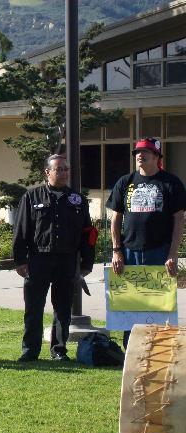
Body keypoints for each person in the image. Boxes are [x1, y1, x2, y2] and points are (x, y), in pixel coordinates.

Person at [13, 154, 95, 362]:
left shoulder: (77, 200)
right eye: (59, 169)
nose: (64, 173)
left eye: (66, 169)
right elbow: (21, 230)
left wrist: (87, 262)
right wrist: (20, 260)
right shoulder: (32, 197)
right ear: (47, 172)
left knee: (62, 309)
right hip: (38, 259)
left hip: (66, 260)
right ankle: (30, 350)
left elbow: (88, 233)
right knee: (33, 308)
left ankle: (59, 350)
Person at [106, 137, 186, 349]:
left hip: (159, 251)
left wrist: (172, 253)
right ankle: (130, 347)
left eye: (146, 152)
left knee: (157, 301)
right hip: (129, 251)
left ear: (157, 156)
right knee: (129, 302)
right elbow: (115, 218)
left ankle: (159, 347)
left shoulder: (171, 183)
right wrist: (117, 251)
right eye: (137, 153)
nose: (140, 156)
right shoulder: (125, 182)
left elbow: (179, 219)